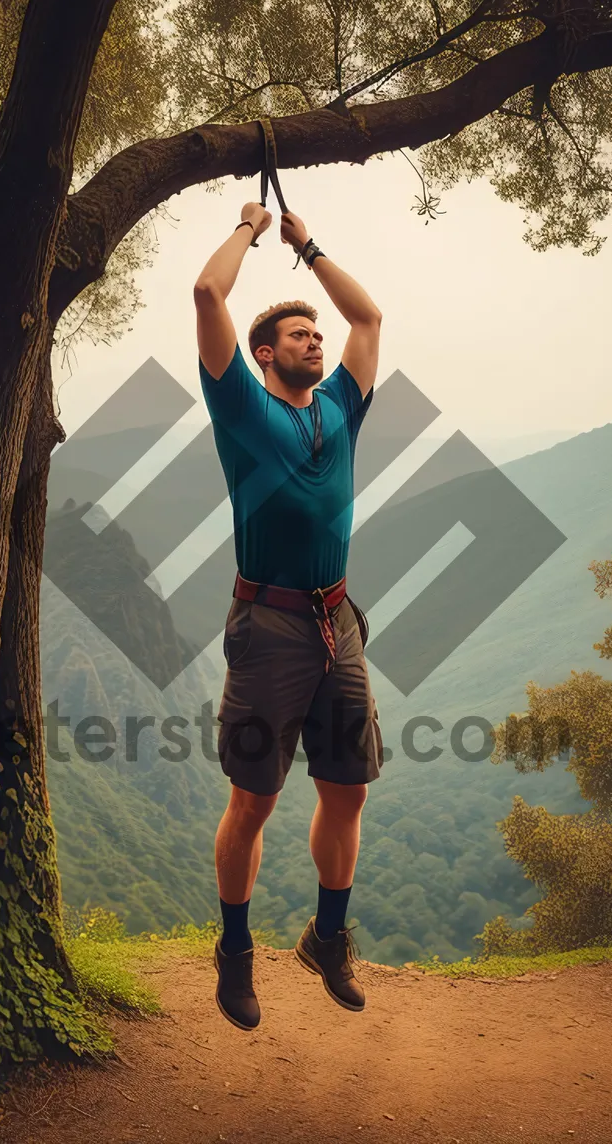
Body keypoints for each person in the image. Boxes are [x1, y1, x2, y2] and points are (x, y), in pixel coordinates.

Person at [192, 201, 383, 1031]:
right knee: (255, 801)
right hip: (265, 627)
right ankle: (235, 952)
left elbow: (368, 315)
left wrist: (308, 247)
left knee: (348, 792)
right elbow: (207, 294)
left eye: (316, 332)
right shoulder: (241, 406)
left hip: (337, 623)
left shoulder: (341, 405)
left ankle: (327, 939)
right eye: (299, 333)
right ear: (265, 354)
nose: (316, 339)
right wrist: (249, 228)